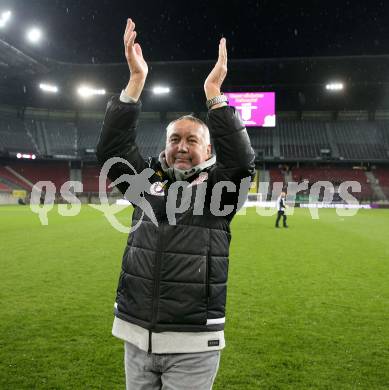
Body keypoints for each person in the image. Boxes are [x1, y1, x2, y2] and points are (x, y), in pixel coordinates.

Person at [96, 18, 255, 390]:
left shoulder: (220, 191)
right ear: (165, 144)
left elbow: (241, 163)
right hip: (136, 334)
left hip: (193, 341)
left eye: (192, 140)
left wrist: (214, 93)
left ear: (208, 148)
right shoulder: (144, 182)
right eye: (174, 139)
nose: (182, 147)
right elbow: (111, 152)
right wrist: (135, 84)